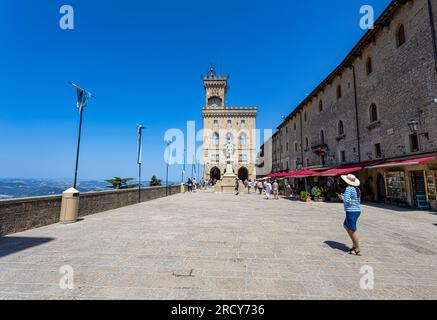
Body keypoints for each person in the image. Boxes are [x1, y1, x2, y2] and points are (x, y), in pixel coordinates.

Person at [338, 174, 362, 256]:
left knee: (352, 229)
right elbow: (357, 201)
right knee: (345, 225)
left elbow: (346, 201)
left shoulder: (348, 188)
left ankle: (357, 247)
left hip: (351, 211)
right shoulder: (357, 189)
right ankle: (354, 245)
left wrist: (341, 197)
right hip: (357, 210)